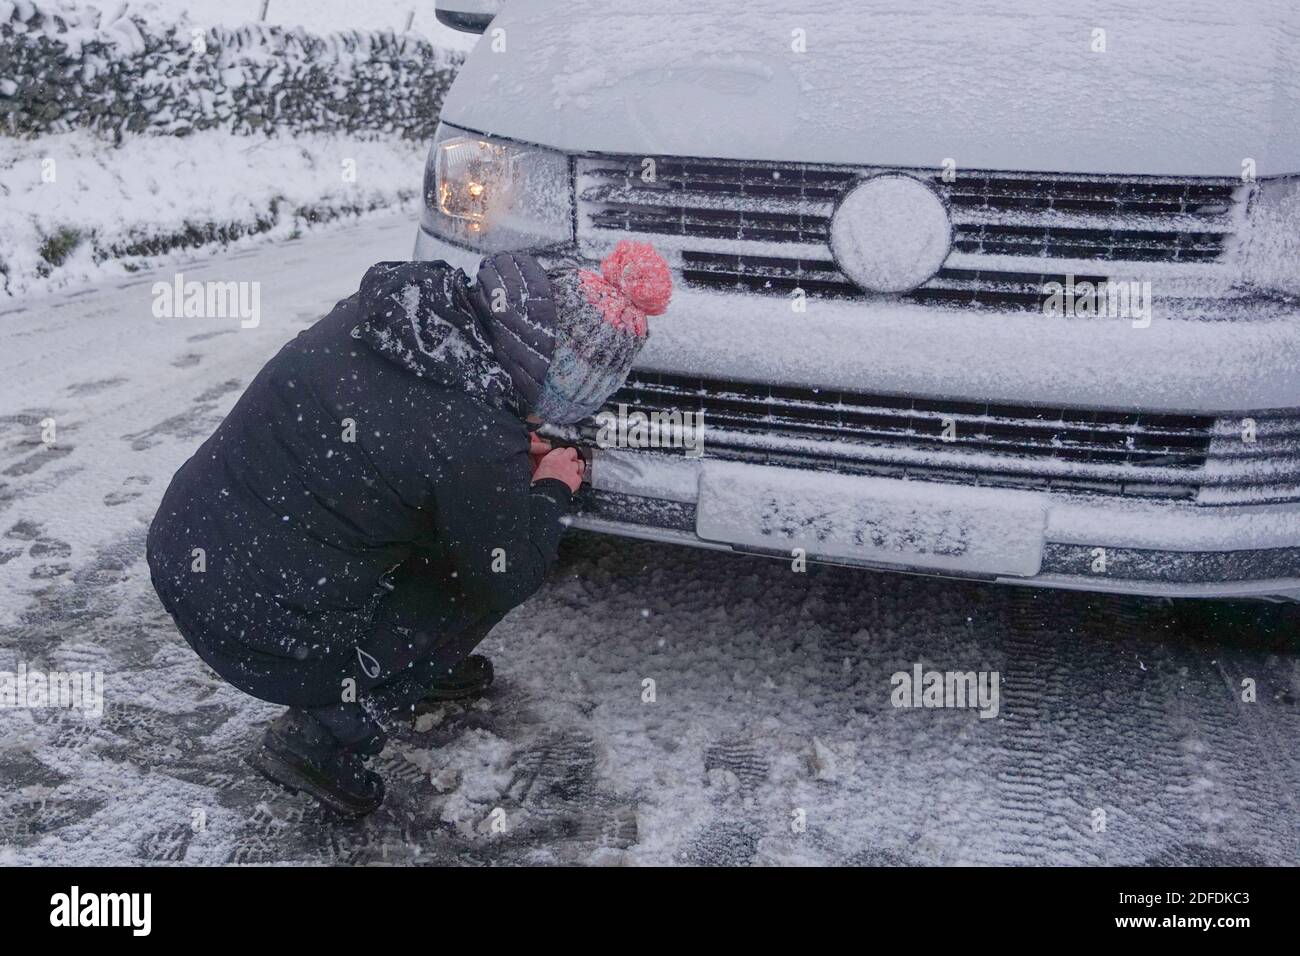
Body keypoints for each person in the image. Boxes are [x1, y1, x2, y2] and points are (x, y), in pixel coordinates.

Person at [146, 241, 672, 817]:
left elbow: (407, 436)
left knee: (431, 511)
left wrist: (500, 454)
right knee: (491, 564)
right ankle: (329, 732)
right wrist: (549, 486)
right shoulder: (475, 437)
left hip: (183, 549)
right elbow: (509, 573)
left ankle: (415, 668)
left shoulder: (407, 305)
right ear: (559, 376)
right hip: (261, 636)